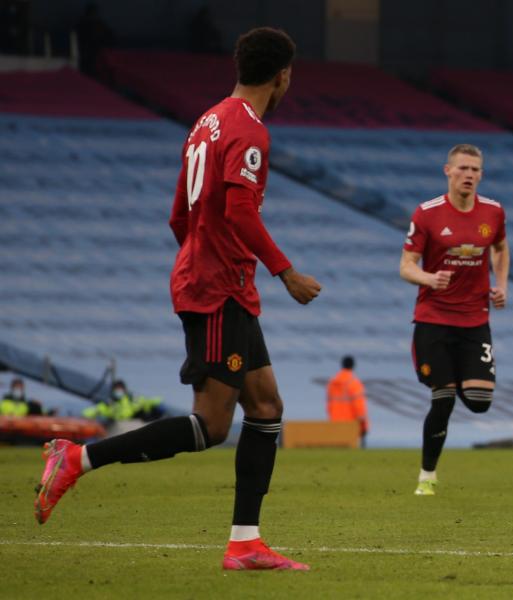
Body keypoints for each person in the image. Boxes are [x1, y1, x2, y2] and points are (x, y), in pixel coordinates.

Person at [33, 27, 322, 571]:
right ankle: (76, 457)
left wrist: (201, 261)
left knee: (265, 408)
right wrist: (285, 273)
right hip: (218, 289)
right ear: (283, 75)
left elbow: (179, 216)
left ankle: (245, 543)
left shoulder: (206, 122)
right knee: (212, 425)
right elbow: (239, 212)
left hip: (214, 280)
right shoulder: (250, 131)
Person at [400, 143, 509, 496]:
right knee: (443, 397)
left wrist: (501, 284)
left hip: (475, 319)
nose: (469, 175)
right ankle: (427, 476)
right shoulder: (427, 213)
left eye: (475, 170)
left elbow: (500, 248)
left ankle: (460, 376)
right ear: (447, 171)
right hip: (433, 318)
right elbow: (405, 266)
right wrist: (429, 279)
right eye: (462, 169)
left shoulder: (493, 212)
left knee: (479, 402)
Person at [326, 355, 369, 447]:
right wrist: (364, 427)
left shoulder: (332, 383)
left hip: (335, 423)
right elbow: (359, 408)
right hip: (351, 425)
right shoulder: (354, 383)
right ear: (353, 366)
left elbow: (329, 406)